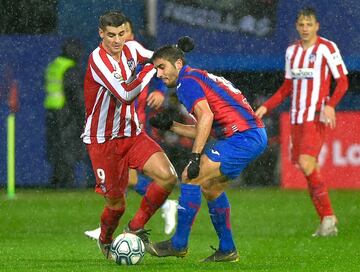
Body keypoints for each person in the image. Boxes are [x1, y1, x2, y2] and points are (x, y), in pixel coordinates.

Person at [147, 37, 267, 262]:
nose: (159, 74)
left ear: (179, 64)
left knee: (189, 177)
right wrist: (171, 125)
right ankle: (227, 249)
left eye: (162, 67)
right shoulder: (195, 77)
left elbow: (206, 117)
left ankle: (178, 243)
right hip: (249, 136)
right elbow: (206, 126)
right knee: (211, 188)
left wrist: (195, 157)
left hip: (242, 137)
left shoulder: (187, 83)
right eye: (156, 69)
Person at [82, 10, 178, 259]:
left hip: (132, 134)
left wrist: (176, 53)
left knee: (168, 177)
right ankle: (105, 240)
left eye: (121, 34)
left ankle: (135, 228)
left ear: (127, 32)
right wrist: (148, 71)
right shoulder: (98, 59)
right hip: (103, 141)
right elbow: (125, 94)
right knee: (117, 205)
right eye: (111, 35)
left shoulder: (132, 48)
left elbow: (157, 58)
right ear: (101, 34)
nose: (117, 40)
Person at [255, 7, 348, 237]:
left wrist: (330, 105)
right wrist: (266, 106)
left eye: (309, 24)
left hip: (315, 116)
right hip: (296, 117)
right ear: (297, 27)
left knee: (307, 163)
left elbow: (343, 82)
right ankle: (327, 221)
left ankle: (327, 217)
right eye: (302, 25)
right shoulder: (291, 52)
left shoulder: (327, 48)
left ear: (317, 26)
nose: (305, 28)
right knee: (308, 168)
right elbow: (287, 87)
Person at [43, 38, 86, 188]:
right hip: (65, 113)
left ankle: (57, 180)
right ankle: (66, 181)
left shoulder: (54, 65)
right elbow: (75, 94)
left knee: (56, 147)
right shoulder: (70, 68)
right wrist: (83, 115)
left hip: (52, 111)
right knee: (67, 147)